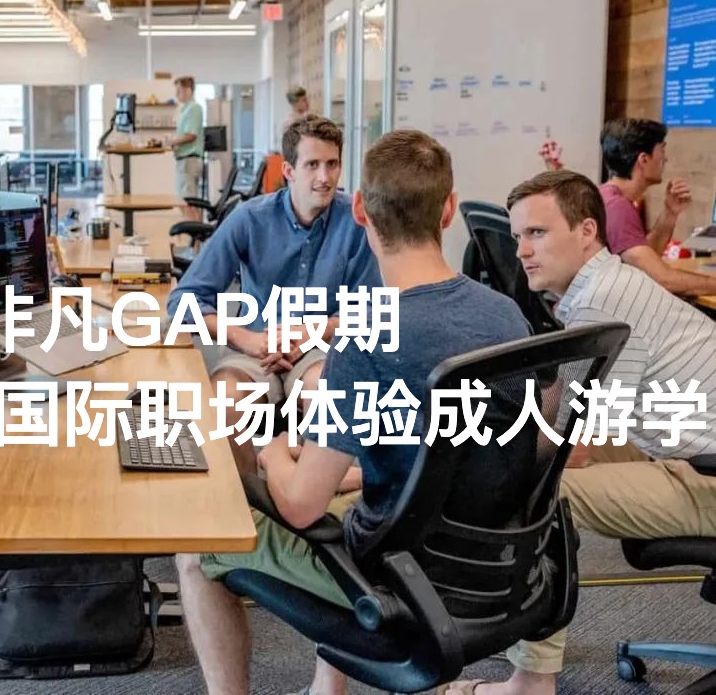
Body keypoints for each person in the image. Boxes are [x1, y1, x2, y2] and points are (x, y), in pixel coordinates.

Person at [176, 129, 536, 695]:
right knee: (335, 484)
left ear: (362, 210)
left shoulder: (363, 343)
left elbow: (299, 507)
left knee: (196, 550)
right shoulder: (508, 315)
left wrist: (274, 452)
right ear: (448, 210)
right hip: (497, 566)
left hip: (396, 577)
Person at [441, 170, 716, 695]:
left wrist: (478, 466)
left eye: (537, 233)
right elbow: (566, 403)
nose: (521, 251)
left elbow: (575, 444)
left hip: (704, 478)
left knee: (545, 494)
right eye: (518, 236)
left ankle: (531, 680)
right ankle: (517, 620)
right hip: (679, 449)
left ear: (587, 231)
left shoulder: (602, 301)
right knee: (520, 465)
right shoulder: (602, 287)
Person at [167, 115, 380, 477]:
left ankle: (310, 496)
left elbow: (371, 312)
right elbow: (183, 300)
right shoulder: (250, 218)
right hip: (254, 348)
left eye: (332, 164)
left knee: (327, 393)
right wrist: (243, 338)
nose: (324, 177)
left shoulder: (356, 222)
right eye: (312, 165)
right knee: (224, 400)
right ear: (289, 171)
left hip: (320, 350)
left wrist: (311, 333)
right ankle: (253, 497)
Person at [539, 121, 716, 297]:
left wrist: (669, 213)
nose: (665, 159)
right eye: (662, 150)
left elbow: (644, 260)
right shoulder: (617, 207)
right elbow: (663, 279)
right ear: (644, 159)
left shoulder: (605, 195)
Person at [171, 75, 205, 215]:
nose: (176, 94)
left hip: (189, 160)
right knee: (183, 201)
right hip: (183, 160)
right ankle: (190, 227)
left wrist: (171, 142)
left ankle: (195, 228)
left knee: (189, 203)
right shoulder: (184, 109)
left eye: (179, 90)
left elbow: (191, 135)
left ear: (189, 90)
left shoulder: (194, 108)